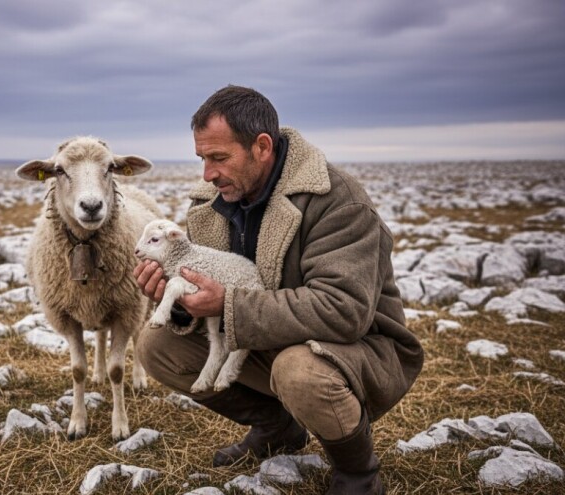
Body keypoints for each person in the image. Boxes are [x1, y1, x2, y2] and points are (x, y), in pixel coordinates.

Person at [133, 85, 423, 494]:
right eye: (202, 158)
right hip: (264, 340)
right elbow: (212, 296)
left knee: (297, 370)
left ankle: (358, 471)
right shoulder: (210, 204)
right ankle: (277, 427)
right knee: (156, 346)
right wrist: (182, 305)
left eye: (218, 158)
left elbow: (343, 310)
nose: (208, 174)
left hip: (354, 348)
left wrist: (229, 304)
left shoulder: (337, 202)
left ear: (262, 147)